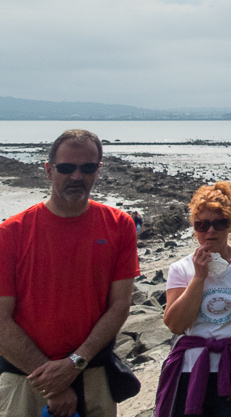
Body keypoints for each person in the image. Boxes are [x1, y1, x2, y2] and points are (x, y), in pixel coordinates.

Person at [0, 129, 140, 417]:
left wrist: (75, 362)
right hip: (25, 378)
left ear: (98, 171)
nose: (77, 176)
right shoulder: (10, 233)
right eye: (66, 168)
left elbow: (120, 305)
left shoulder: (119, 225)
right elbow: (1, 321)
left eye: (87, 168)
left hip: (92, 373)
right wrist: (54, 383)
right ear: (49, 170)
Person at [156, 181, 231, 417]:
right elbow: (176, 325)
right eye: (202, 225)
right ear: (194, 228)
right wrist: (199, 278)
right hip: (190, 369)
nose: (210, 232)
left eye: (220, 223)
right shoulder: (181, 269)